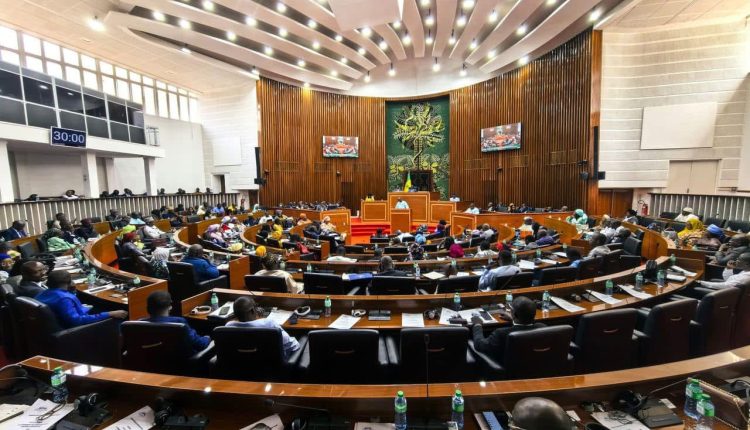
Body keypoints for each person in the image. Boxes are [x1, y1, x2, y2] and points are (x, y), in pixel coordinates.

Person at [36, 271, 127, 328]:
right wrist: (110, 314)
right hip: (76, 330)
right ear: (69, 282)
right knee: (120, 318)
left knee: (100, 307)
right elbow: (77, 321)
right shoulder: (64, 299)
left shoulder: (42, 293)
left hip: (57, 324)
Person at [471, 296, 545, 361]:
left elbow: (480, 345)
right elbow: (524, 325)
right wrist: (513, 319)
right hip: (535, 366)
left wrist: (477, 325)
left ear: (514, 313)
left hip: (507, 369)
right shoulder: (542, 328)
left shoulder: (501, 333)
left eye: (511, 309)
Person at [228, 296, 301, 358]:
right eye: (256, 307)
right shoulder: (268, 324)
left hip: (240, 366)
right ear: (253, 310)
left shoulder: (229, 326)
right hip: (271, 366)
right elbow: (293, 345)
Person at [142, 291, 209, 352]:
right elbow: (200, 344)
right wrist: (207, 338)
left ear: (148, 309)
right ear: (170, 307)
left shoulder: (139, 324)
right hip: (184, 360)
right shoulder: (179, 322)